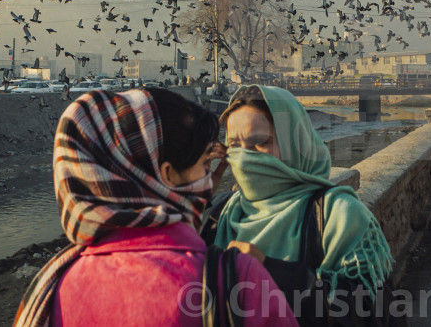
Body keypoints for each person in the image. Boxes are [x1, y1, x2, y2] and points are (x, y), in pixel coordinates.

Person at [15, 88, 295, 327]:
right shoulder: (235, 279)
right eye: (205, 166)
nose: (210, 180)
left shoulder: (55, 286)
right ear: (168, 175)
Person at [211, 85, 398, 324]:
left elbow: (372, 313)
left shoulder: (339, 216)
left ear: (294, 143)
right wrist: (197, 196)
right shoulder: (220, 213)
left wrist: (273, 271)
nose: (245, 157)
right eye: (234, 145)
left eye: (259, 142)